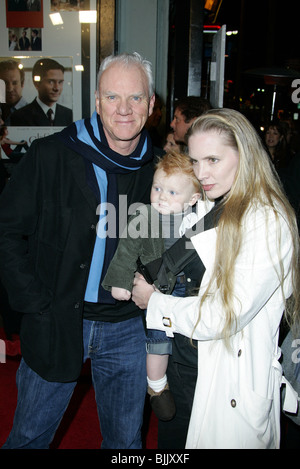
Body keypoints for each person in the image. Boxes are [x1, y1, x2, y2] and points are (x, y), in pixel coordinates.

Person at [0, 52, 156, 449]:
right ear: (98, 102)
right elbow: (6, 231)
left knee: (126, 445)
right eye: (113, 97)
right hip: (58, 318)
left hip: (126, 328)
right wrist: (34, 302)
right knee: (29, 439)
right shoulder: (51, 155)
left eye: (136, 98)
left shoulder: (159, 170)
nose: (124, 109)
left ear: (152, 105)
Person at [131, 108, 300, 449]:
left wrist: (155, 303)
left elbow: (223, 316)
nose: (201, 173)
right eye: (195, 161)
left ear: (245, 155)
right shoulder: (213, 203)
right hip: (185, 360)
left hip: (229, 379)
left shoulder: (267, 220)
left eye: (213, 160)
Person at [102, 151, 202, 421]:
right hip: (157, 288)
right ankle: (157, 386)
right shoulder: (145, 215)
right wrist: (120, 282)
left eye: (171, 192)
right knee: (157, 339)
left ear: (193, 199)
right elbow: (126, 250)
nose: (161, 196)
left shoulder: (199, 219)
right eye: (157, 188)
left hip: (191, 295)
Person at [10, 58, 72, 127]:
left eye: (60, 82)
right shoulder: (20, 116)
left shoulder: (69, 114)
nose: (57, 88)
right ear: (37, 84)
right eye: (51, 82)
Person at [0, 59, 27, 125]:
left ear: (22, 83)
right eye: (5, 83)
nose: (10, 89)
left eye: (14, 83)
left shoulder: (34, 114)